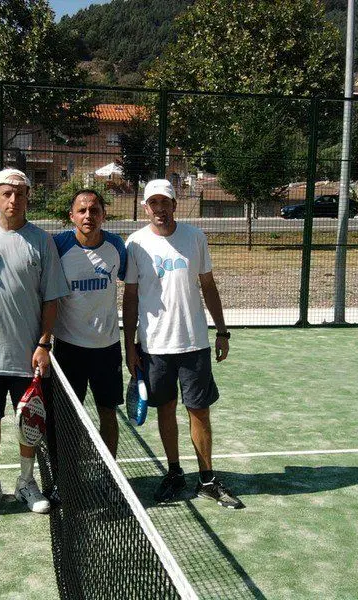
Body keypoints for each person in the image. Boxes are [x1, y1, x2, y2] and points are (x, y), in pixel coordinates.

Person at [123, 179, 243, 509]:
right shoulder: (134, 243)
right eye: (153, 203)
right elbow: (130, 297)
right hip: (154, 346)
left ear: (175, 205)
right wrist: (129, 344)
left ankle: (206, 479)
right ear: (145, 207)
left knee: (199, 412)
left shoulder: (195, 237)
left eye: (165, 202)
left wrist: (222, 331)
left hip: (194, 344)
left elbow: (208, 285)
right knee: (165, 410)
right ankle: (174, 473)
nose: (159, 209)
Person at [0, 168, 69, 516]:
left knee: (30, 422)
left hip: (28, 356)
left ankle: (26, 482)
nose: (14, 199)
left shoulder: (42, 240)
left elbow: (51, 298)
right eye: (7, 193)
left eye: (20, 193)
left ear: (28, 198)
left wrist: (44, 344)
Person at [53, 189, 127, 456]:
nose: (88, 215)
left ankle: (111, 476)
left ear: (103, 215)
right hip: (68, 348)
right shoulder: (58, 245)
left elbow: (133, 284)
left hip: (107, 349)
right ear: (71, 216)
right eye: (82, 210)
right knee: (69, 416)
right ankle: (69, 474)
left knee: (108, 413)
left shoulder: (116, 246)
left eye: (94, 210)